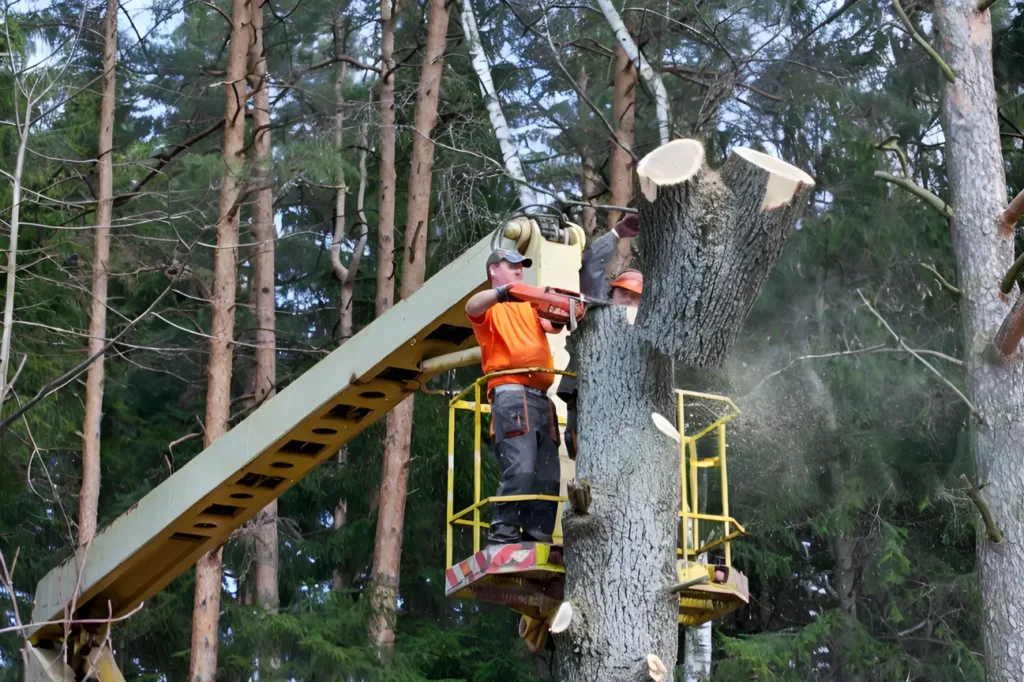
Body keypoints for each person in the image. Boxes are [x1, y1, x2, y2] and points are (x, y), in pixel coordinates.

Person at [465, 248, 562, 546]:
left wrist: (561, 311)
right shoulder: (490, 307)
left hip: (541, 398)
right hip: (511, 393)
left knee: (547, 474)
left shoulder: (530, 306)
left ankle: (537, 535)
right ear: (494, 270)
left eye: (522, 265)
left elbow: (552, 325)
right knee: (521, 467)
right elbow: (471, 306)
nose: (520, 269)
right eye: (512, 265)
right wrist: (502, 293)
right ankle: (503, 532)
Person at [556, 214, 642, 458]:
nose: (628, 300)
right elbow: (592, 266)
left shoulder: (643, 332)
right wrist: (616, 234)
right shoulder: (595, 310)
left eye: (634, 297)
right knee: (581, 446)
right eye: (624, 294)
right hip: (587, 395)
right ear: (611, 293)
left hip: (624, 406)